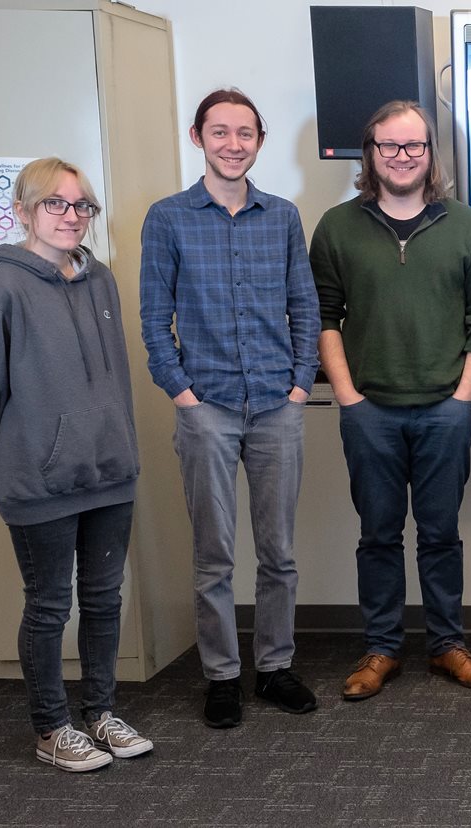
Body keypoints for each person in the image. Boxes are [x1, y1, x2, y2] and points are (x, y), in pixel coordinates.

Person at [0, 158, 152, 771]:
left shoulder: (102, 282)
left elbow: (116, 379)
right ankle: (52, 727)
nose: (71, 217)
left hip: (110, 472)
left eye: (81, 206)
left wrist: (115, 438)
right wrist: (20, 450)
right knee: (48, 607)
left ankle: (100, 712)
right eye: (56, 204)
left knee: (103, 599)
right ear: (24, 211)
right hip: (39, 480)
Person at [311, 100, 471, 700]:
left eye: (414, 146)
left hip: (445, 410)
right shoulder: (337, 227)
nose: (402, 157)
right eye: (389, 146)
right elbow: (322, 316)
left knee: (441, 533)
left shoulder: (467, 225)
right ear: (370, 153)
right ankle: (381, 649)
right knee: (378, 534)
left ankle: (448, 646)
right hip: (369, 412)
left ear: (430, 155)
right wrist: (347, 397)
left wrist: (463, 396)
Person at [140, 88, 321, 728]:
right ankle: (221, 675)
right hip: (207, 406)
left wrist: (301, 385)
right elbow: (153, 320)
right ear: (199, 139)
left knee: (279, 552)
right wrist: (183, 396)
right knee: (214, 555)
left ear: (259, 142)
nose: (233, 144)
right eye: (220, 132)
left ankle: (273, 668)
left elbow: (306, 306)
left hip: (277, 404)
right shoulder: (167, 218)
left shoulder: (283, 217)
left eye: (245, 133)